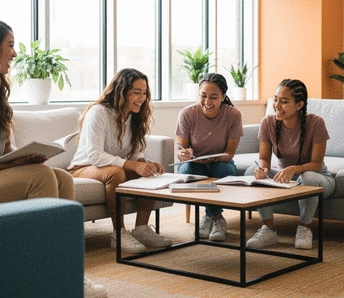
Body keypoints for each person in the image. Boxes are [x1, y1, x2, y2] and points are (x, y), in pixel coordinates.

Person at [0, 17, 107, 298]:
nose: (15, 54)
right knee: (41, 177)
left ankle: (69, 272)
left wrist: (24, 157)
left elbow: (4, 152)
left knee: (62, 177)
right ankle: (42, 278)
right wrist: (7, 165)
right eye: (10, 45)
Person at [68, 68, 172, 254]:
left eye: (145, 93)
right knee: (116, 173)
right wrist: (134, 165)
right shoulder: (98, 112)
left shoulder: (134, 116)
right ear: (122, 91)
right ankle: (119, 233)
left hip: (108, 165)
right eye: (136, 93)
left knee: (149, 173)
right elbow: (95, 156)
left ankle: (141, 228)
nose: (142, 98)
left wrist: (146, 163)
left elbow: (133, 154)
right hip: (83, 166)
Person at [245, 79, 335, 250]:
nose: (277, 105)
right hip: (286, 178)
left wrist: (295, 169)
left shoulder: (316, 123)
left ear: (299, 104)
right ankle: (268, 229)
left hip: (318, 178)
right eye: (276, 99)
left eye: (284, 101)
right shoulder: (268, 123)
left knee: (307, 177)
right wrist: (262, 169)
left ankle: (304, 227)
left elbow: (316, 164)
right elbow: (264, 158)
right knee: (251, 171)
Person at [176, 73, 243, 241]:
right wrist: (184, 153)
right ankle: (217, 218)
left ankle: (207, 218)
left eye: (213, 97)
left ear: (223, 97)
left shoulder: (233, 115)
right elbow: (181, 149)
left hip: (220, 162)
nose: (207, 102)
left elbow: (229, 154)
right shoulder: (187, 114)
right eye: (203, 96)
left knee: (222, 171)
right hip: (195, 163)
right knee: (188, 171)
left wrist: (210, 159)